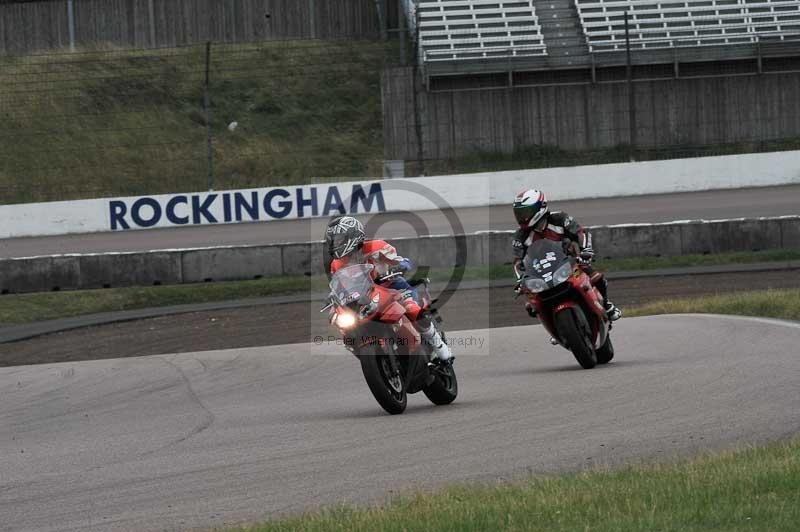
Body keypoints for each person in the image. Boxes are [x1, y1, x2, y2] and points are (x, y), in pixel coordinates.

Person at [324, 215, 453, 365]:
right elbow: (340, 283)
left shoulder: (375, 246)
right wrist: (333, 295)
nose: (335, 244)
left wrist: (401, 265)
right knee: (344, 323)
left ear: (352, 236)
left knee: (412, 309)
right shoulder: (336, 264)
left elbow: (400, 260)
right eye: (333, 241)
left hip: (392, 286)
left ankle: (440, 347)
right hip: (364, 295)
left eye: (338, 240)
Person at [511, 189, 622, 321]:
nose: (522, 217)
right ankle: (555, 326)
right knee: (531, 306)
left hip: (570, 263)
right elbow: (518, 261)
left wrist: (585, 250)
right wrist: (520, 279)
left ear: (540, 207)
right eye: (519, 214)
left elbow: (580, 233)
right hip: (540, 273)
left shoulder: (560, 219)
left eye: (525, 213)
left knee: (597, 278)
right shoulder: (520, 236)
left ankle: (607, 305)